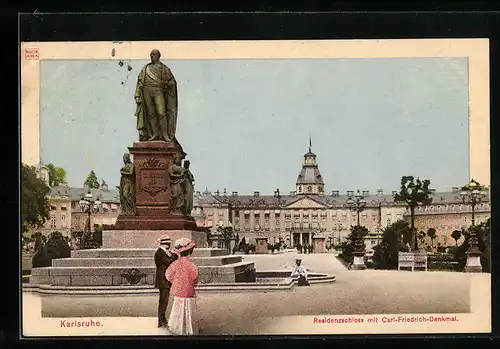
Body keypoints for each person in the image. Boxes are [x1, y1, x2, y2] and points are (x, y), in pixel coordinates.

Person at [134, 49, 178, 142]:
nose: (152, 56)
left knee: (161, 113)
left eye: (154, 54)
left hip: (158, 91)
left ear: (158, 56)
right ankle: (154, 133)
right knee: (151, 113)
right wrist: (137, 95)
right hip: (147, 91)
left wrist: (169, 84)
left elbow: (172, 81)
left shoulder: (164, 68)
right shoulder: (145, 68)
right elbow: (139, 82)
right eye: (151, 54)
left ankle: (165, 135)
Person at [166, 238, 200, 335]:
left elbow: (168, 275)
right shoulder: (192, 265)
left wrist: (176, 281)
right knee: (189, 309)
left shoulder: (175, 264)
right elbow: (195, 277)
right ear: (190, 251)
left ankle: (176, 327)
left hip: (178, 290)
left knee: (177, 308)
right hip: (188, 290)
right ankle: (189, 329)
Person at [154, 235, 178, 328]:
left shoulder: (164, 252)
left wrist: (172, 255)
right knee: (163, 301)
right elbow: (169, 261)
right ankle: (161, 320)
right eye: (169, 243)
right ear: (165, 244)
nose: (170, 245)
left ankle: (162, 319)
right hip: (163, 280)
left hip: (165, 280)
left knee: (165, 301)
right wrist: (175, 255)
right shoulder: (159, 253)